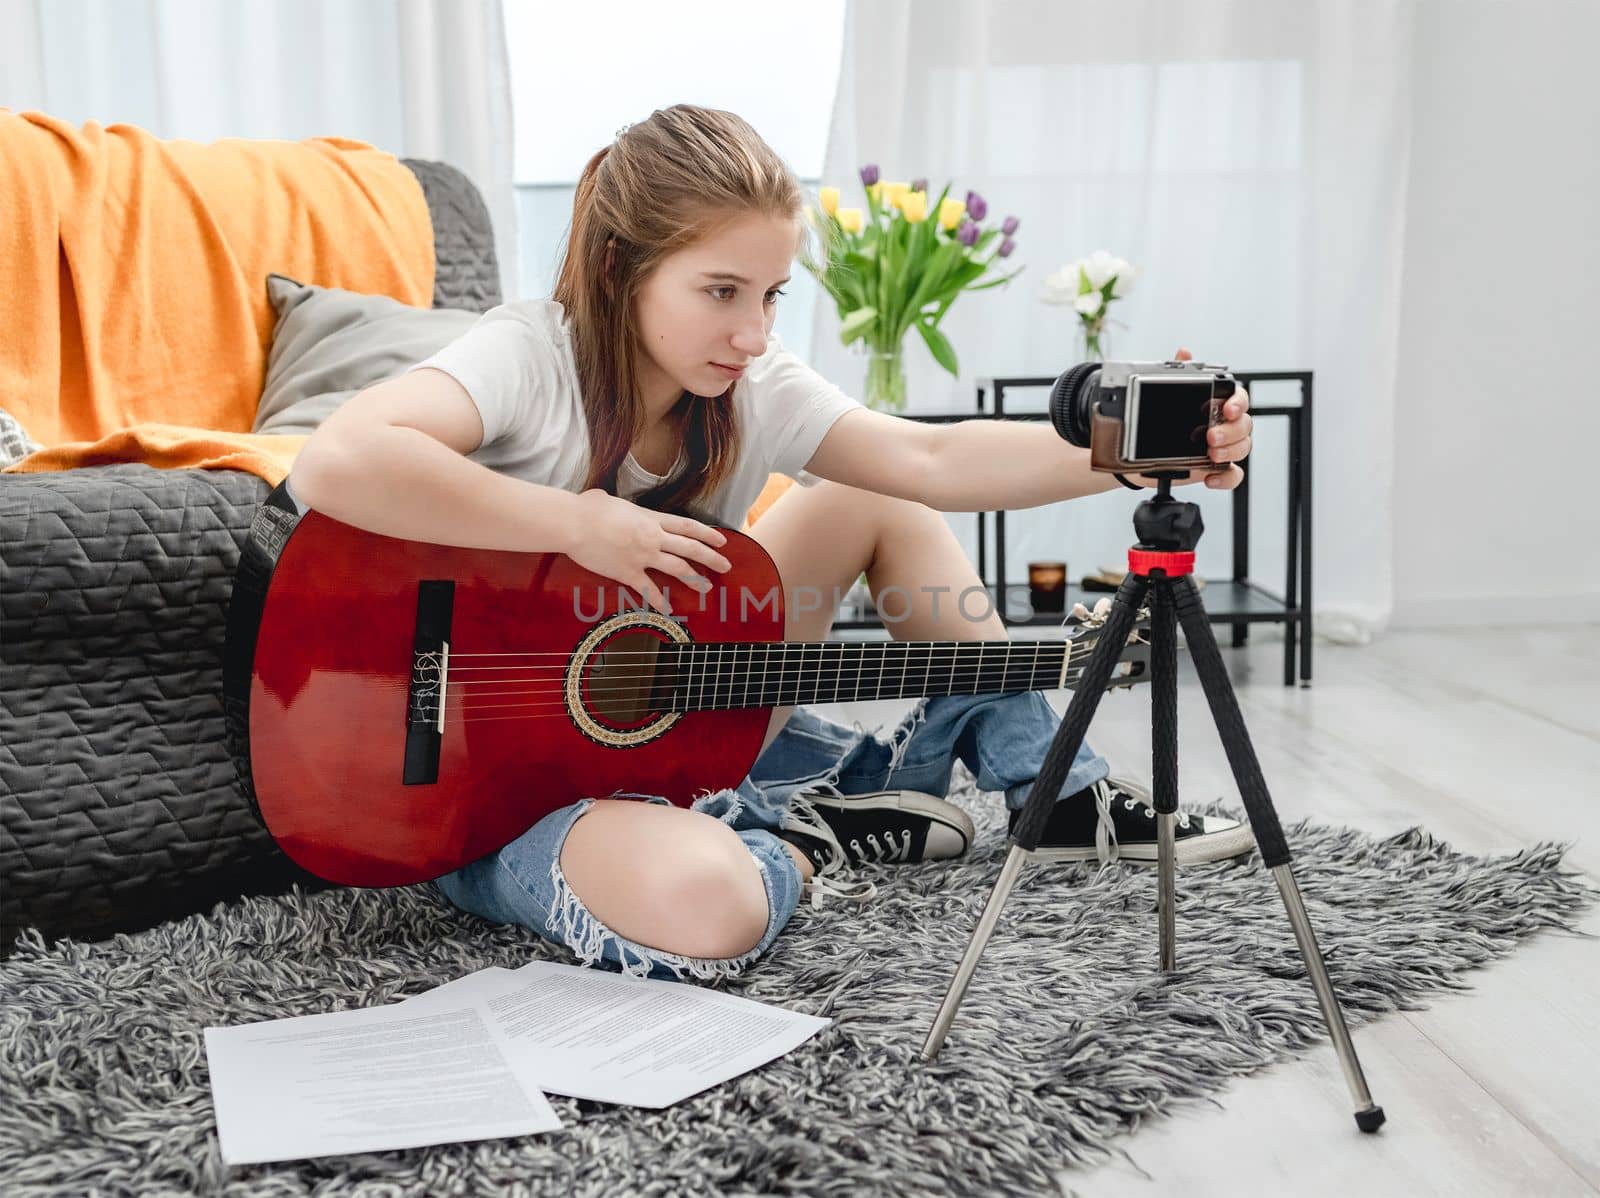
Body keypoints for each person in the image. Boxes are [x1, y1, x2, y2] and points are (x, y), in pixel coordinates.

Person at [288, 104, 1256, 984]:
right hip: (500, 790)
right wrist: (576, 522)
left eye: (771, 295)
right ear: (621, 268)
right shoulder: (531, 356)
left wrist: (1132, 455)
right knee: (711, 905)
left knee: (878, 501)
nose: (751, 333)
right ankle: (803, 838)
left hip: (688, 726)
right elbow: (337, 460)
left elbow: (925, 458)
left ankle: (1059, 796)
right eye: (719, 291)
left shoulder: (747, 384)